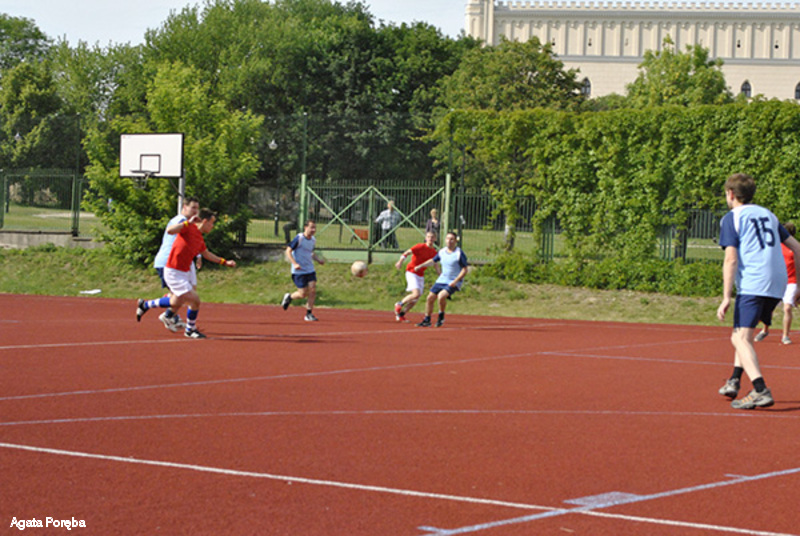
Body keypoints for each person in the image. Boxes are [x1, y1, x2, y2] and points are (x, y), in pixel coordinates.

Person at [716, 173, 800, 409]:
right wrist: (799, 285)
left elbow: (731, 258)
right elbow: (797, 248)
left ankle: (760, 389)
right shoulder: (769, 215)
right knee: (744, 332)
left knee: (739, 337)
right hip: (778, 282)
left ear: (731, 194)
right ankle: (734, 380)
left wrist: (726, 297)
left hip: (754, 281)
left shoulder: (732, 218)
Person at [136, 208, 236, 339]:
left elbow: (206, 254)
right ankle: (190, 329)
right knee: (195, 300)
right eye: (211, 223)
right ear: (204, 221)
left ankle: (145, 305)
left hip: (183, 272)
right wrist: (188, 222)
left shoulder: (199, 238)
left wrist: (224, 262)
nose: (212, 226)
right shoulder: (188, 228)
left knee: (175, 302)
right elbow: (170, 230)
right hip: (173, 271)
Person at [152, 196, 201, 332]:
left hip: (174, 262)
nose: (195, 211)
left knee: (182, 294)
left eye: (197, 208)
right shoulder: (181, 220)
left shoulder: (187, 223)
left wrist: (197, 255)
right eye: (193, 208)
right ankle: (160, 312)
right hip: (168, 262)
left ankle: (170, 316)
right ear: (184, 207)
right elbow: (173, 231)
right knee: (181, 295)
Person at [754, 221, 797, 345]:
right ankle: (765, 330)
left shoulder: (794, 247)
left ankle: (785, 336)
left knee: (787, 308)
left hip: (791, 281)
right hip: (777, 280)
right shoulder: (775, 246)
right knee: (769, 307)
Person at [413, 231, 468, 327]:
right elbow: (433, 261)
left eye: (452, 239)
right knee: (430, 298)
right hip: (442, 279)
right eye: (448, 239)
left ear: (456, 241)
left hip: (453, 281)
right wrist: (420, 266)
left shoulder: (459, 253)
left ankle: (441, 315)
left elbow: (465, 269)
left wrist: (455, 281)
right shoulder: (442, 252)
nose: (449, 241)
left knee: (441, 296)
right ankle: (427, 320)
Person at [281, 219, 325, 321]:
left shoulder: (313, 240)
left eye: (315, 228)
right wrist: (295, 263)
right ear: (306, 227)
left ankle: (309, 314)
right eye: (311, 227)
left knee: (312, 290)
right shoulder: (299, 238)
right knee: (302, 294)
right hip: (299, 271)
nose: (313, 230)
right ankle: (289, 297)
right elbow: (288, 251)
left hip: (310, 269)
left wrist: (318, 260)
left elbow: (310, 252)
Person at [393, 231, 440, 322]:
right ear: (425, 238)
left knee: (415, 299)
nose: (430, 239)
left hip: (420, 275)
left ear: (435, 239)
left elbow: (436, 265)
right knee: (416, 294)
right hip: (411, 271)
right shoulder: (420, 246)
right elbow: (406, 253)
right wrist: (400, 262)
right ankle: (399, 304)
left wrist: (441, 276)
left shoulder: (434, 252)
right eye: (428, 237)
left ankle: (401, 314)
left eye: (432, 237)